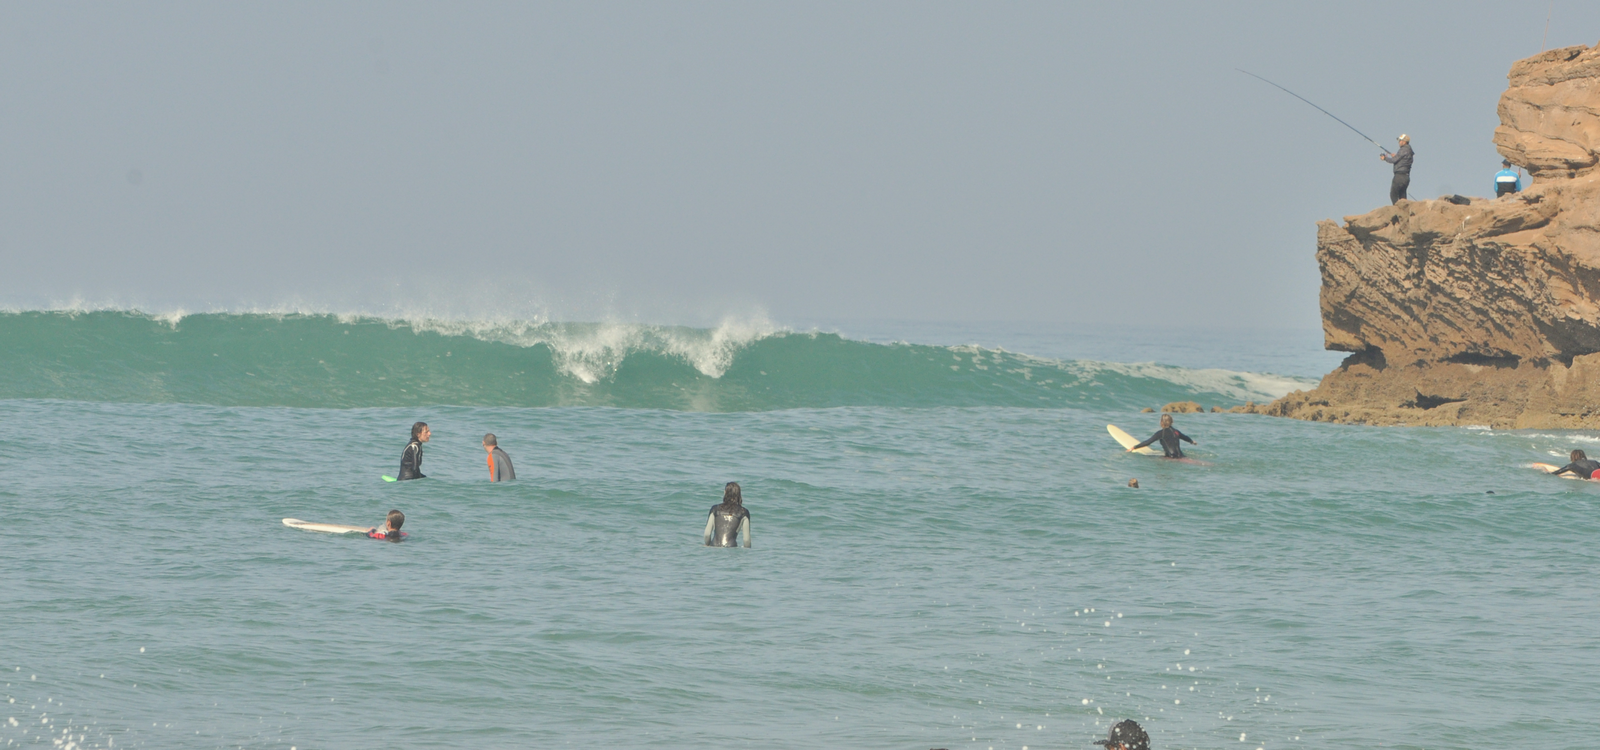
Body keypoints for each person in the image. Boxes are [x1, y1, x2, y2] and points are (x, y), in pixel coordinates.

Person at [702, 481, 752, 548]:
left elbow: (707, 535)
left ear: (725, 492)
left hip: (714, 547)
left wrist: (708, 545)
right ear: (739, 495)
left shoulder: (715, 509)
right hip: (731, 548)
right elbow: (746, 540)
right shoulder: (743, 512)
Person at [1129, 413, 1196, 459]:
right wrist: (1192, 441)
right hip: (1182, 456)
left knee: (1150, 458)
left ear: (1161, 422)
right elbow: (1185, 437)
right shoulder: (1176, 431)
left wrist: (1134, 447)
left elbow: (1148, 442)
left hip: (1171, 458)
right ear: (1171, 421)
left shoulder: (1161, 433)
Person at [1380, 134, 1413, 204]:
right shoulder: (1409, 151)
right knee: (1402, 196)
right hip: (1406, 177)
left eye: (1400, 141)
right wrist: (1396, 156)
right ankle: (1405, 211)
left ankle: (1397, 211)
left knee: (1393, 194)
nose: (1399, 142)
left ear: (1404, 142)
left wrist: (1385, 158)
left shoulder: (1403, 149)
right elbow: (1403, 159)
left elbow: (1393, 160)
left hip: (1399, 176)